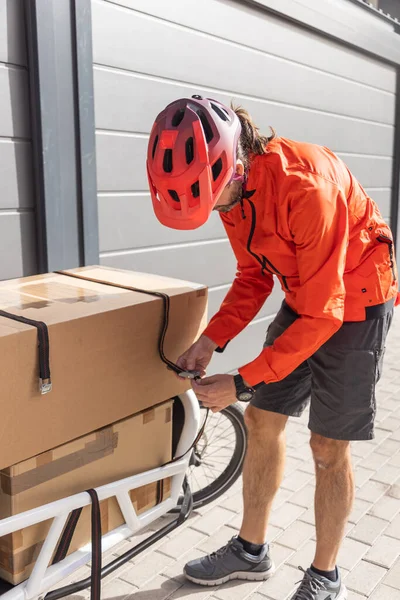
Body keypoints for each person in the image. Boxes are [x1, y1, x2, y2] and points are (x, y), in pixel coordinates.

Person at [146, 95, 399, 600]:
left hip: (356, 301)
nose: (216, 209)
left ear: (234, 167)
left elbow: (326, 311)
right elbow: (252, 275)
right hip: (309, 295)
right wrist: (211, 341)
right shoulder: (233, 193)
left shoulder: (308, 188)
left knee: (327, 447)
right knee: (263, 420)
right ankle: (250, 552)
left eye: (213, 198)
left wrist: (241, 380)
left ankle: (325, 576)